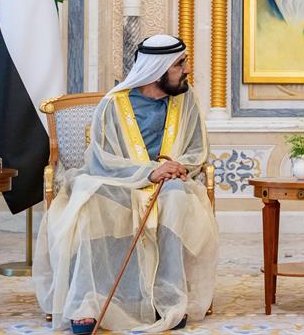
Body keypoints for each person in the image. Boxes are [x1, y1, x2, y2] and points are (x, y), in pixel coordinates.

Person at [34, 34, 217, 334]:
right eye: (180, 65)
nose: (186, 70)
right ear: (157, 70)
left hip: (170, 183)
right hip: (118, 181)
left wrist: (177, 167)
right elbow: (102, 160)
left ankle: (166, 299)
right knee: (88, 200)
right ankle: (87, 302)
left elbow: (197, 149)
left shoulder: (187, 99)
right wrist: (149, 172)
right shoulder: (113, 104)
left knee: (176, 198)